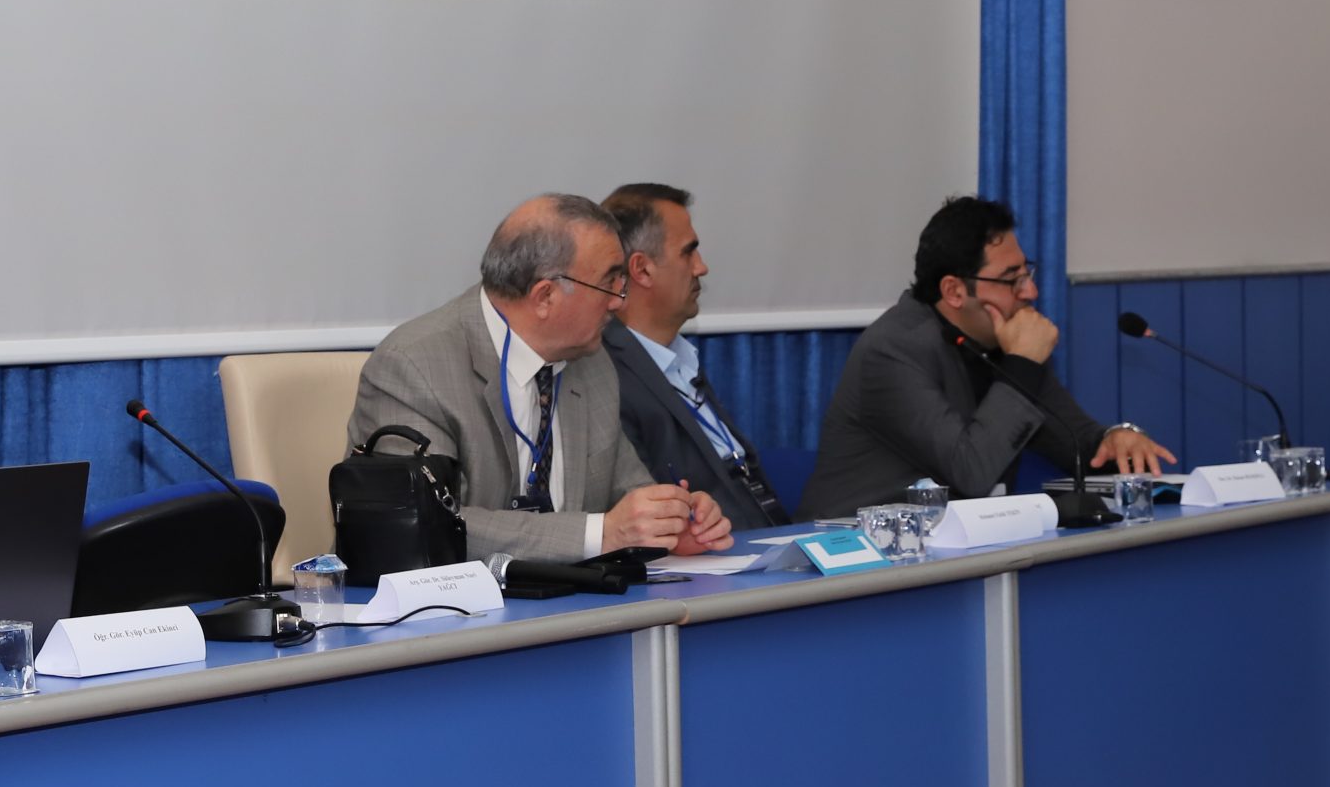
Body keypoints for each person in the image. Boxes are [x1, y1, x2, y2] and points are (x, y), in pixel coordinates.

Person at [348, 194, 736, 560]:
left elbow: (627, 489)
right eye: (610, 282)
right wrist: (600, 534)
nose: (619, 301)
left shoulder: (592, 362)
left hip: (574, 598)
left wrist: (671, 521)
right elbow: (423, 525)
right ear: (545, 296)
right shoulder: (414, 366)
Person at [802, 196, 1174, 518]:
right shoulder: (893, 350)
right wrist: (1023, 363)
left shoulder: (1000, 342)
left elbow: (1078, 447)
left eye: (1027, 272)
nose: (1030, 291)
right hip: (858, 556)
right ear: (954, 291)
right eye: (1011, 279)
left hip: (956, 551)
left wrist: (1117, 438)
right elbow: (972, 471)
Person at [598, 184, 791, 533]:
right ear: (642, 270)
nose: (702, 268)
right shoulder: (607, 375)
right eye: (688, 253)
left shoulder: (681, 359)